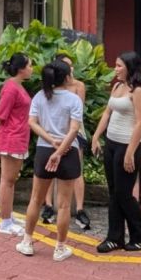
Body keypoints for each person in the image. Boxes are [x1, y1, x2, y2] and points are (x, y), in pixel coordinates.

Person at [15, 61, 83, 262]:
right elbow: (74, 129)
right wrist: (60, 151)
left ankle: (27, 242)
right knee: (64, 205)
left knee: (36, 199)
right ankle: (59, 248)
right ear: (67, 77)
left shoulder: (40, 96)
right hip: (68, 151)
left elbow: (32, 122)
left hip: (45, 150)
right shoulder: (74, 99)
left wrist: (51, 141)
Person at [91, 51, 141, 253]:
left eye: (119, 66)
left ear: (130, 67)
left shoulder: (138, 90)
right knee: (114, 193)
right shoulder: (117, 87)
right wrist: (96, 136)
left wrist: (130, 152)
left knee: (124, 194)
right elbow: (107, 113)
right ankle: (114, 237)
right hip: (112, 143)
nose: (115, 69)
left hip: (128, 145)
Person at [41, 52, 91, 231]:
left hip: (74, 132)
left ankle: (80, 209)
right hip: (53, 134)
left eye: (71, 65)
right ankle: (48, 205)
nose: (71, 68)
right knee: (49, 169)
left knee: (77, 170)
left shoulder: (78, 86)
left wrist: (69, 137)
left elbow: (77, 113)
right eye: (67, 65)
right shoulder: (50, 87)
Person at [0, 53, 33, 236]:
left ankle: (8, 216)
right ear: (21, 69)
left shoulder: (16, 85)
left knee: (11, 180)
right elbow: (0, 114)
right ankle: (5, 222)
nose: (32, 69)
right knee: (7, 180)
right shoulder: (12, 88)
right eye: (29, 65)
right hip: (11, 137)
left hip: (17, 136)